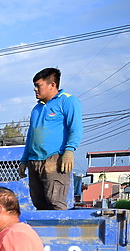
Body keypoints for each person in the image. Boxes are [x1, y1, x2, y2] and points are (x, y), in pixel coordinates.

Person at [18, 67, 83, 210]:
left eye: (38, 85)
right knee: (39, 203)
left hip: (55, 159)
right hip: (34, 161)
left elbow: (75, 128)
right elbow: (30, 136)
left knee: (55, 201)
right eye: (34, 86)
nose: (35, 89)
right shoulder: (37, 108)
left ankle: (61, 232)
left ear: (52, 85)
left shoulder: (67, 100)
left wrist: (69, 151)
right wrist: (24, 160)